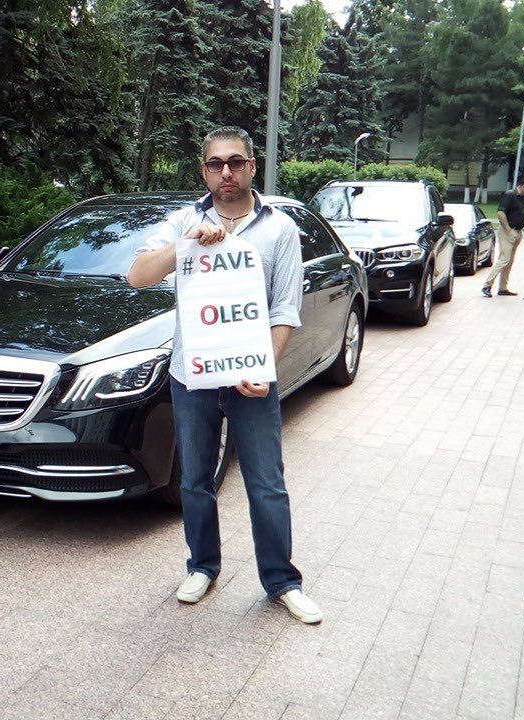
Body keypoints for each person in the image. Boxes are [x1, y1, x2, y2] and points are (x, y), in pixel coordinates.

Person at [127, 126, 321, 624]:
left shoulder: (279, 228)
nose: (226, 172)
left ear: (252, 166)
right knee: (195, 479)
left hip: (252, 378)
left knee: (267, 482)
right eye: (216, 164)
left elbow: (285, 309)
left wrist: (264, 369)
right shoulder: (184, 220)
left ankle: (282, 581)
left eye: (236, 162)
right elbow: (139, 275)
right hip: (192, 376)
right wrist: (186, 243)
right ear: (204, 170)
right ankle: (202, 566)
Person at [482, 177, 524, 297]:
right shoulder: (510, 195)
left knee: (509, 261)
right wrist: (508, 230)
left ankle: (503, 288)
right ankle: (487, 285)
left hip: (517, 231)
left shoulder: (521, 198)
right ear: (523, 186)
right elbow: (501, 212)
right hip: (508, 231)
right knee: (504, 259)